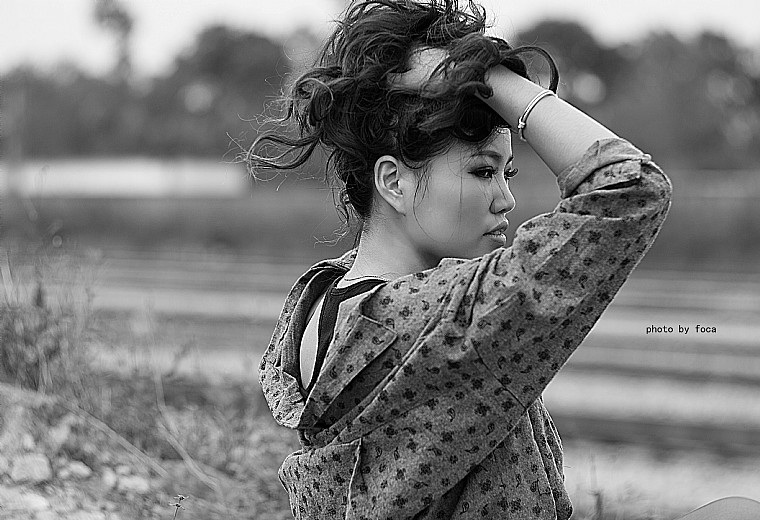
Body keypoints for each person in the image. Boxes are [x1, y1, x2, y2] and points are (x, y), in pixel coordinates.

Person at [250, 0, 676, 518]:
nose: (506, 199)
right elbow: (631, 191)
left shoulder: (321, 297)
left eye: (507, 173)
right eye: (482, 171)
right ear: (393, 181)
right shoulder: (435, 319)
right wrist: (491, 79)